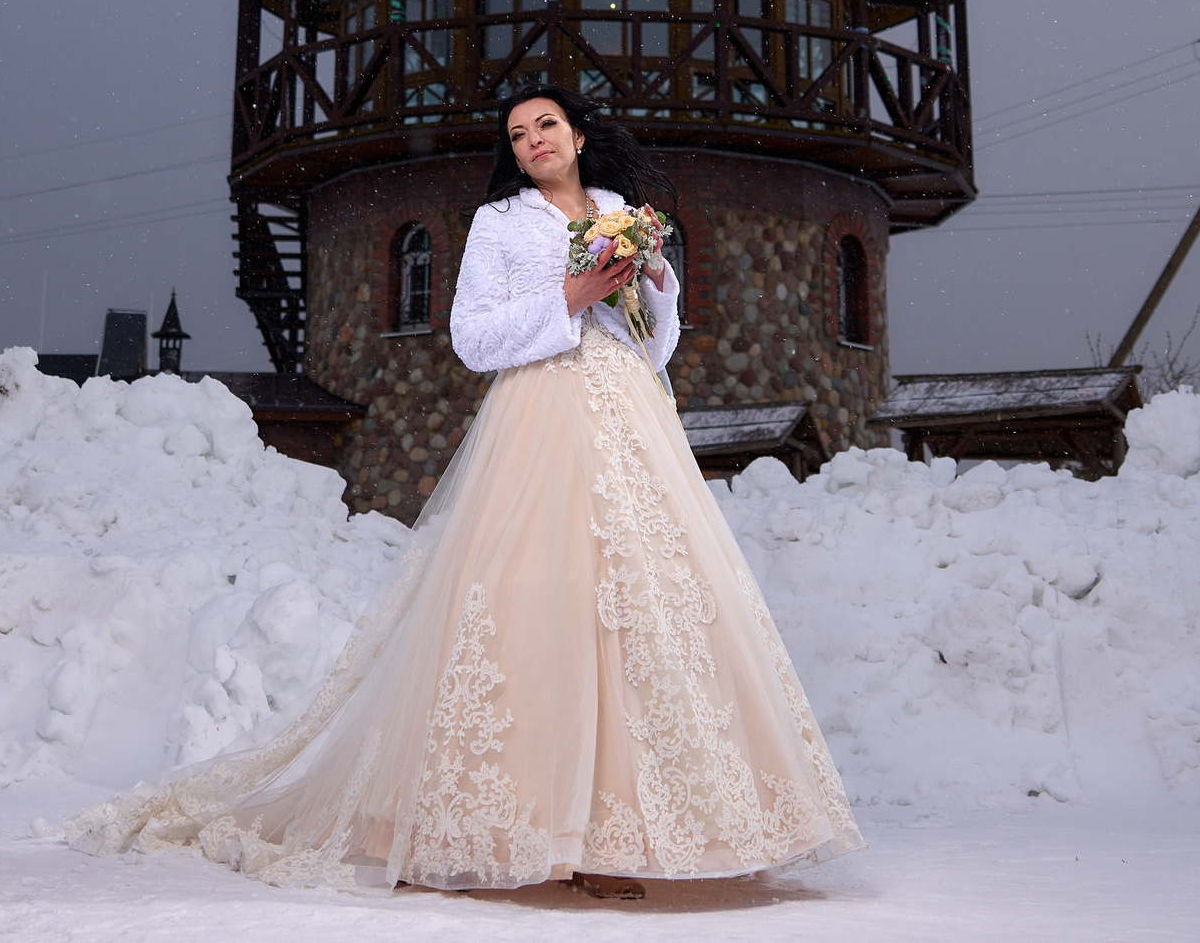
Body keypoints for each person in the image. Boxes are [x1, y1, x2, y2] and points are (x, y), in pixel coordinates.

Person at [65, 85, 862, 896]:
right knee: (532, 604)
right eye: (518, 135)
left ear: (578, 136)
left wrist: (653, 276)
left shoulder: (626, 212)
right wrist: (569, 298)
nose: (533, 142)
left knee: (649, 603)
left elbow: (654, 348)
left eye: (546, 125)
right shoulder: (500, 223)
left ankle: (626, 835)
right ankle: (512, 827)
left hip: (630, 417)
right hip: (539, 414)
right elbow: (472, 338)